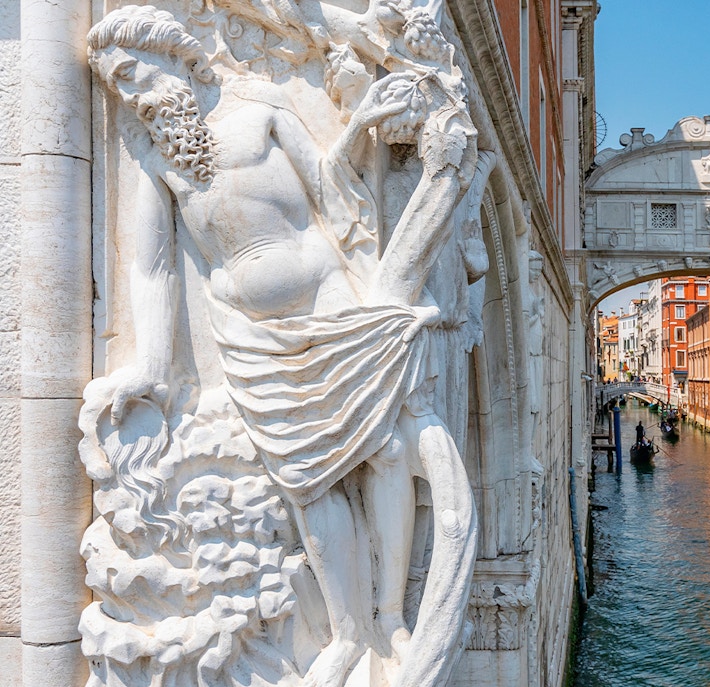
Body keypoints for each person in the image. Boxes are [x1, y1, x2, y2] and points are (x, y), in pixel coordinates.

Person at [87, 6, 480, 685]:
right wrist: (150, 363)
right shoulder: (153, 154)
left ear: (175, 57)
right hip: (249, 335)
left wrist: (357, 124)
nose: (130, 94)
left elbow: (331, 187)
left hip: (327, 298)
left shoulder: (260, 109)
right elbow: (151, 267)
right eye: (118, 87)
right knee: (306, 481)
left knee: (383, 446)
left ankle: (389, 616)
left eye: (132, 75)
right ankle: (347, 631)